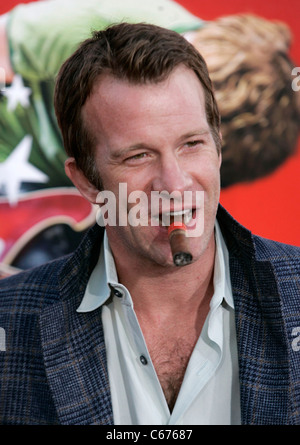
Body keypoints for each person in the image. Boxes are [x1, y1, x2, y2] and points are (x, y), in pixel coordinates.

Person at [0, 22, 299, 425]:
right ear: (87, 182)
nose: (174, 185)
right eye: (137, 156)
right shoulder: (8, 320)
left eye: (191, 144)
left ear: (217, 148)